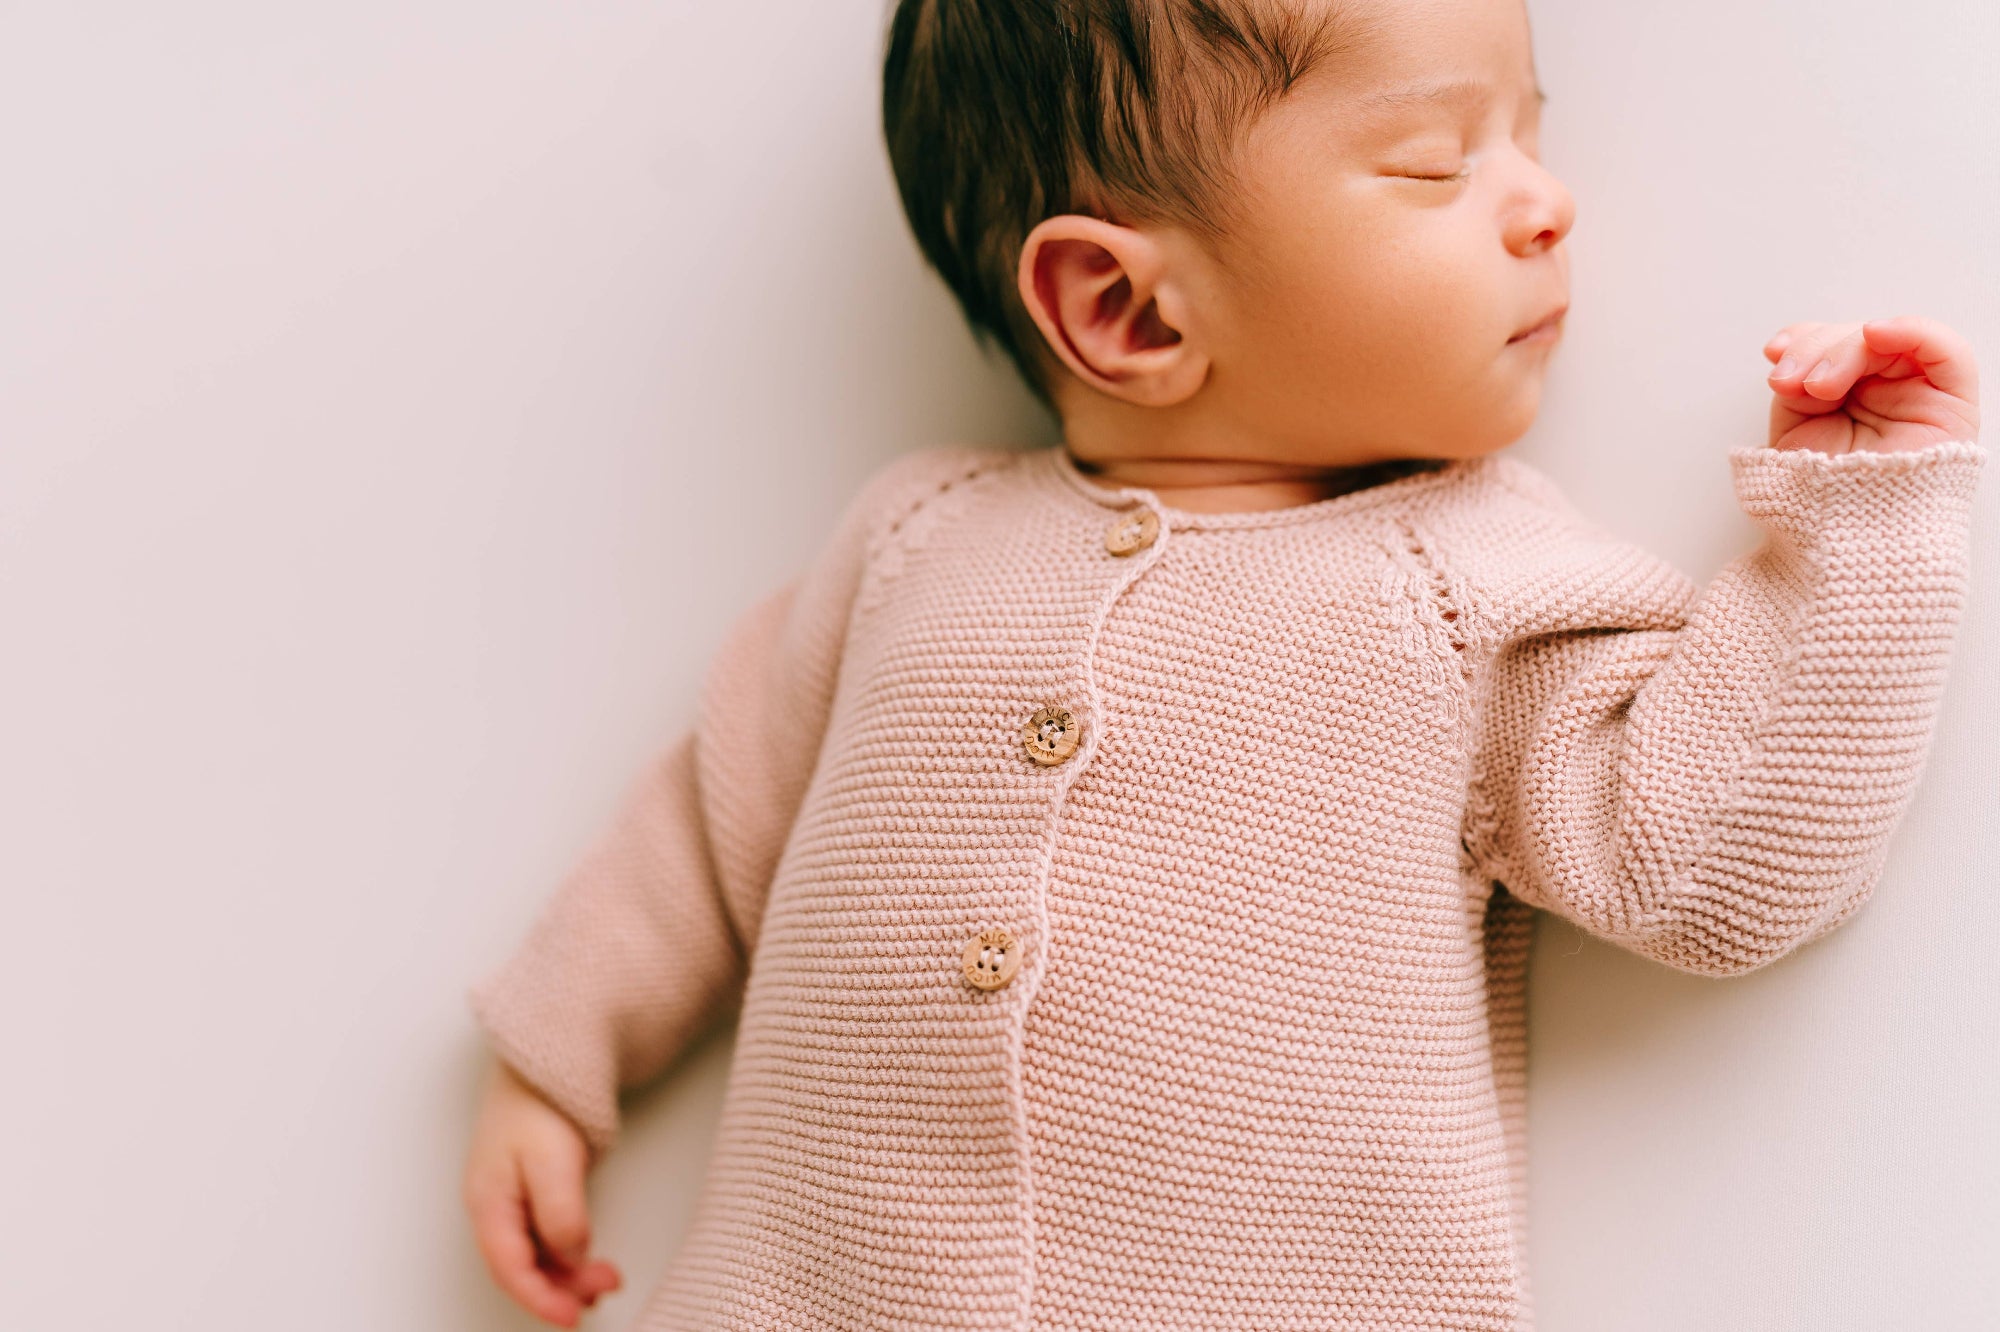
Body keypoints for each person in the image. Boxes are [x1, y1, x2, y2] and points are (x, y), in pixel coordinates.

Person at [459, 0, 1986, 1327]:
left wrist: (1863, 526)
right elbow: (707, 828)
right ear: (1124, 306)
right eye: (1437, 164)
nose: (1546, 204)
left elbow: (1704, 862)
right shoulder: (916, 541)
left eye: (1531, 136)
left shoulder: (1468, 583)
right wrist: (555, 1063)